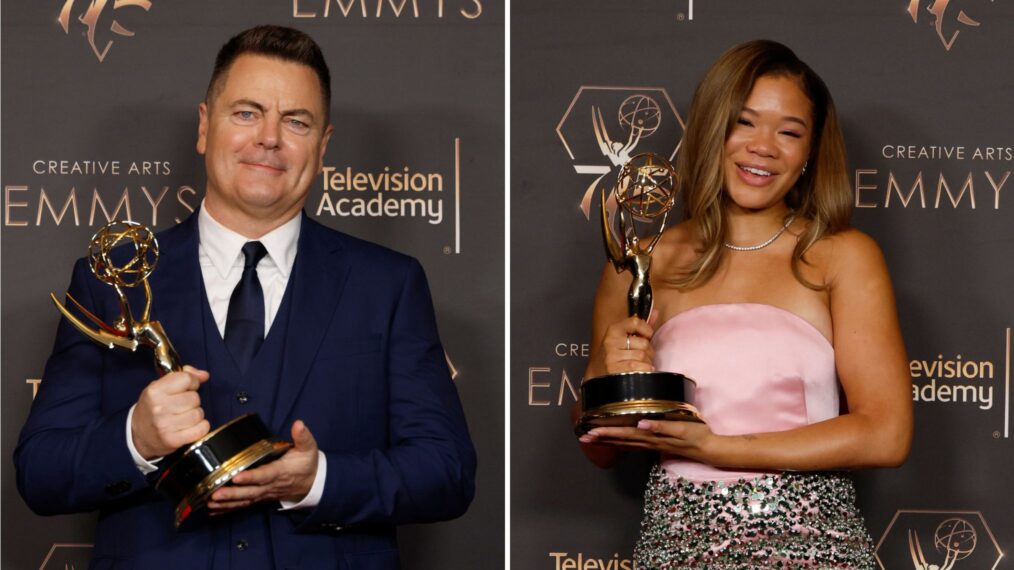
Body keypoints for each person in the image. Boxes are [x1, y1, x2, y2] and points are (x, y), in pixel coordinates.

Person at [15, 25, 475, 570]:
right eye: (246, 113)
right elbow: (39, 473)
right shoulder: (112, 280)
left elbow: (446, 471)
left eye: (296, 121)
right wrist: (134, 439)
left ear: (323, 145)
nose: (269, 138)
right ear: (205, 127)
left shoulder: (388, 285)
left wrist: (318, 479)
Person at [576, 40, 912, 568]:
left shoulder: (841, 257)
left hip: (812, 550)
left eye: (790, 132)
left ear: (809, 154)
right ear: (713, 129)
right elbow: (598, 449)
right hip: (676, 549)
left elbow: (886, 434)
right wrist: (608, 366)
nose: (765, 147)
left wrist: (718, 449)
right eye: (746, 123)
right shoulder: (647, 259)